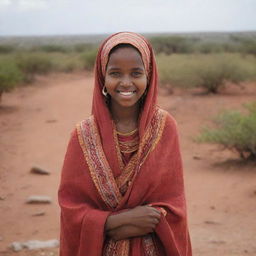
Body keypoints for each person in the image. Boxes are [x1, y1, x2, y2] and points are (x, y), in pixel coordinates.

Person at [58, 32, 192, 256]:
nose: (126, 82)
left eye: (136, 73)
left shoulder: (165, 127)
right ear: (103, 77)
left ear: (149, 76)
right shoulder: (82, 135)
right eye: (115, 73)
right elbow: (70, 208)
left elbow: (174, 203)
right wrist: (112, 223)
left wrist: (147, 218)